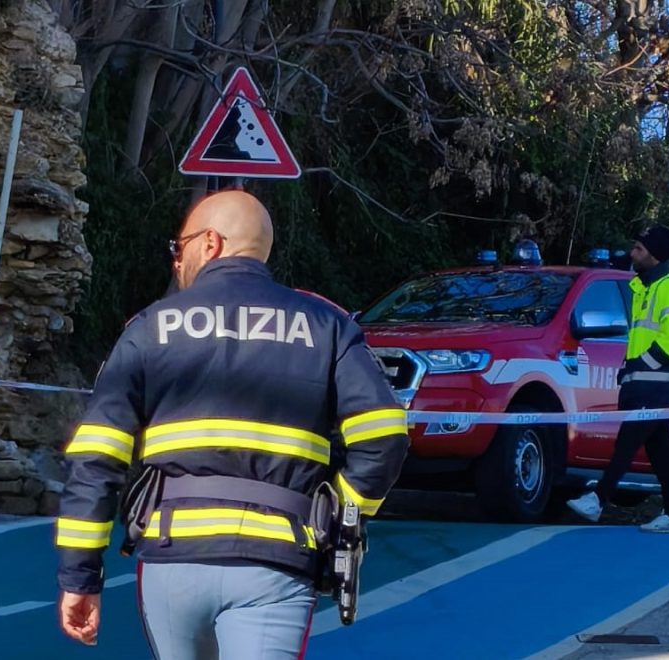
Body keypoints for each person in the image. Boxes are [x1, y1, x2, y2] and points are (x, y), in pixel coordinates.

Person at [55, 190, 410, 658]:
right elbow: (384, 435)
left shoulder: (149, 328)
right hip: (277, 559)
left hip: (172, 556)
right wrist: (341, 507)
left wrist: (80, 576)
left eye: (179, 247)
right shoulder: (327, 326)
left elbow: (97, 458)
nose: (176, 260)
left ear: (210, 243)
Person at [566, 225, 669, 533]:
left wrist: (639, 365)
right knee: (661, 450)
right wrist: (630, 370)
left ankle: (598, 500)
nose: (632, 253)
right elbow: (643, 338)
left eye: (639, 248)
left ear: (655, 254)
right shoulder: (644, 289)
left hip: (658, 387)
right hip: (647, 385)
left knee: (628, 441)